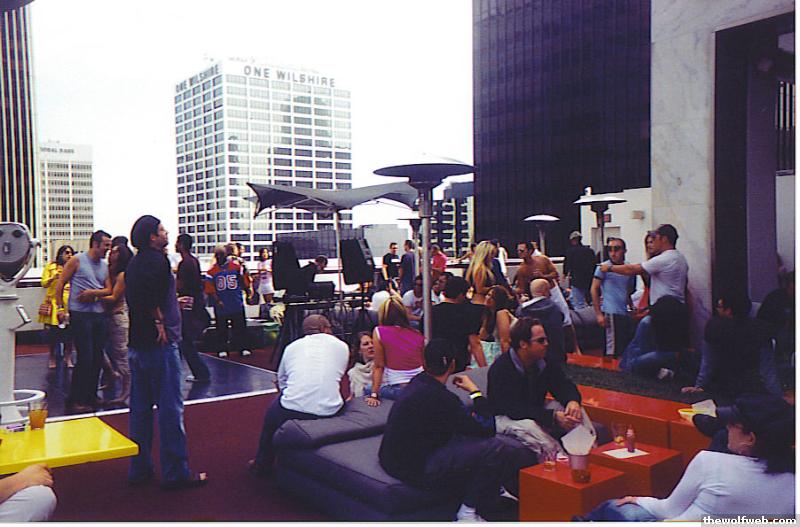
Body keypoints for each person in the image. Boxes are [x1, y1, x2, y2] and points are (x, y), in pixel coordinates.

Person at [581, 393, 795, 521]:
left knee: (616, 507)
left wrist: (639, 499)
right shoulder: (793, 478)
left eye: (732, 424)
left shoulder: (711, 462)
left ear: (751, 439)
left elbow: (668, 509)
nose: (726, 427)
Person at [379, 338, 522, 522]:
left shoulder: (416, 384)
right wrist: (475, 392)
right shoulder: (443, 399)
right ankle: (466, 514)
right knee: (494, 448)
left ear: (424, 362)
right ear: (452, 364)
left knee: (468, 438)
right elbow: (488, 429)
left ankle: (493, 490)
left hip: (391, 460)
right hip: (416, 468)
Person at [125, 215, 208, 489]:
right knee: (170, 409)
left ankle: (140, 467)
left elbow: (140, 296)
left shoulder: (134, 262)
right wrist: (159, 321)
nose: (166, 233)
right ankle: (176, 472)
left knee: (140, 410)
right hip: (160, 344)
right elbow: (151, 294)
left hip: (137, 344)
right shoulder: (157, 260)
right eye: (161, 230)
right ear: (152, 236)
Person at [249, 314, 349, 476]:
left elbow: (281, 380)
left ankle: (263, 463)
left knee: (270, 418)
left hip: (292, 409)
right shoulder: (342, 346)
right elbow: (337, 374)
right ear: (325, 329)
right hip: (330, 410)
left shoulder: (292, 347)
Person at [488, 317, 584, 456]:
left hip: (533, 411)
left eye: (546, 339)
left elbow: (563, 385)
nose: (546, 344)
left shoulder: (544, 362)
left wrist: (572, 401)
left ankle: (590, 453)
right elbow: (513, 409)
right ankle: (559, 460)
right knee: (530, 427)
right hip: (505, 417)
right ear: (523, 344)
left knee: (575, 412)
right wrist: (552, 417)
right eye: (541, 340)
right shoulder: (502, 369)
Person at [56, 230, 113, 413]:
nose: (108, 249)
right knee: (85, 357)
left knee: (97, 357)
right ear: (95, 244)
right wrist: (60, 308)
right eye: (106, 245)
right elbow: (60, 284)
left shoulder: (104, 266)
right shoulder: (77, 260)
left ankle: (91, 395)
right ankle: (75, 399)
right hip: (80, 314)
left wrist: (92, 293)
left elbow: (109, 290)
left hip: (98, 314)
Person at [682, 289, 775, 401]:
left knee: (688, 357)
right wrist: (776, 395)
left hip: (721, 384)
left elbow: (708, 361)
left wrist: (699, 385)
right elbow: (767, 368)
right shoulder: (760, 328)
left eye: (719, 307)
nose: (717, 309)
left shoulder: (715, 326)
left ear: (728, 311)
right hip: (751, 384)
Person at [365, 296, 425, 405]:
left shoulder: (379, 331)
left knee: (367, 389)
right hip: (420, 386)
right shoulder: (417, 334)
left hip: (400, 389)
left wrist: (374, 394)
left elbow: (378, 366)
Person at [98, 242, 133, 406]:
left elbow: (113, 297)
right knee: (99, 349)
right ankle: (111, 374)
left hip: (117, 317)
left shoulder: (122, 275)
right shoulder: (108, 270)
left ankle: (126, 391)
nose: (111, 253)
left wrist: (92, 295)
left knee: (121, 356)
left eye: (115, 252)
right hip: (107, 316)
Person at [591, 237, 636, 358]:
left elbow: (628, 290)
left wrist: (631, 307)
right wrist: (598, 314)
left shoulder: (628, 268)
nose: (613, 253)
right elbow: (594, 289)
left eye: (616, 249)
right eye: (610, 249)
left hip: (624, 313)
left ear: (624, 250)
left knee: (623, 347)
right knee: (611, 350)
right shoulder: (603, 267)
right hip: (610, 312)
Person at [430, 276, 486, 371]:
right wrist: (484, 369)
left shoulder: (431, 312)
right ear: (461, 294)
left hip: (435, 359)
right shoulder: (468, 314)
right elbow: (475, 344)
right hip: (459, 360)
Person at [175, 233, 211, 383]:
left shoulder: (185, 263)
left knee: (186, 340)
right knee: (186, 341)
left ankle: (201, 372)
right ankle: (200, 372)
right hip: (195, 303)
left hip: (187, 304)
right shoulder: (193, 261)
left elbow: (181, 285)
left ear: (182, 245)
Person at [205, 245, 252, 358]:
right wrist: (217, 300)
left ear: (226, 255)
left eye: (221, 254)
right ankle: (222, 348)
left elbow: (244, 281)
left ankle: (242, 347)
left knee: (240, 327)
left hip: (236, 301)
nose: (219, 257)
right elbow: (210, 289)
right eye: (217, 255)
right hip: (221, 304)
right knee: (221, 328)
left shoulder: (236, 267)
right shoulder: (211, 272)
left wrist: (248, 292)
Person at [40, 245, 75, 369]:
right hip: (54, 304)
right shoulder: (51, 267)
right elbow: (43, 283)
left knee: (70, 333)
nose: (69, 255)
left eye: (71, 253)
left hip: (69, 304)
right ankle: (52, 357)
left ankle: (68, 356)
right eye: (67, 252)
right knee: (53, 334)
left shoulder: (74, 267)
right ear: (60, 254)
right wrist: (52, 278)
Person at [516, 279, 566, 362]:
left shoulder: (522, 310)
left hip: (533, 357)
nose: (550, 294)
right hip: (557, 355)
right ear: (545, 291)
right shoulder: (556, 308)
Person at [476, 285, 517, 367]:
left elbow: (505, 341)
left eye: (492, 297)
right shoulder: (489, 315)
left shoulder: (502, 313)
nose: (488, 298)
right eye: (488, 295)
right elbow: (481, 337)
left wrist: (508, 364)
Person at [563, 231, 596, 309]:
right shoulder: (589, 251)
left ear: (572, 240)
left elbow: (567, 264)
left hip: (577, 280)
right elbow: (594, 264)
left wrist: (565, 274)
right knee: (590, 300)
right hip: (589, 280)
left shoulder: (570, 251)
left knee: (578, 302)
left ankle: (582, 314)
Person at [465, 240, 496, 305]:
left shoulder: (474, 267)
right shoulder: (480, 269)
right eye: (492, 253)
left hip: (477, 300)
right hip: (481, 301)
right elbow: (480, 289)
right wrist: (494, 288)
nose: (493, 256)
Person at [347, 331, 374, 399]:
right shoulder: (353, 373)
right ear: (359, 350)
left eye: (373, 343)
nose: (371, 346)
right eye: (366, 344)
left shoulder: (384, 367)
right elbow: (352, 396)